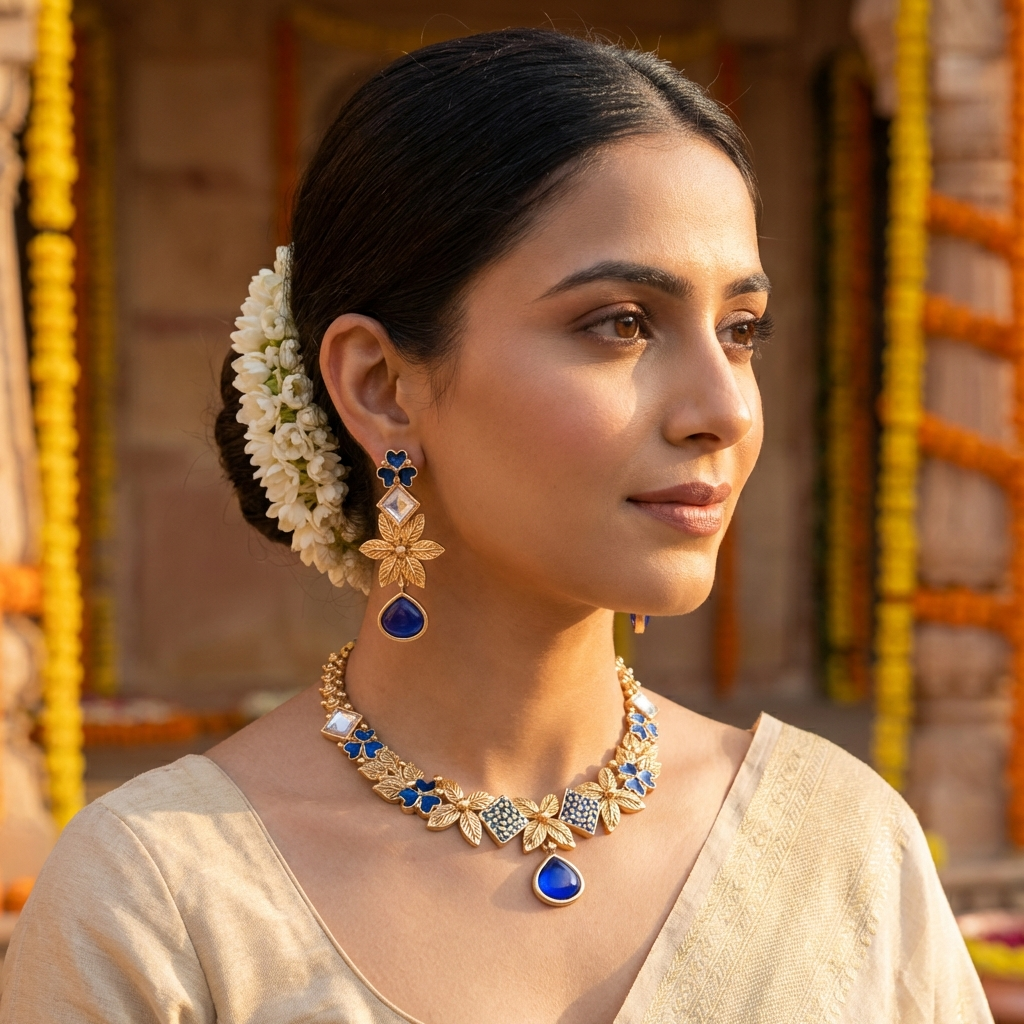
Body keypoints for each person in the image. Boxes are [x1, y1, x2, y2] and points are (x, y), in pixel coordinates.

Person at [0, 27, 991, 1024]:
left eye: (740, 331)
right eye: (621, 323)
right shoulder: (165, 903)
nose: (724, 410)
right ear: (380, 385)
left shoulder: (840, 849)